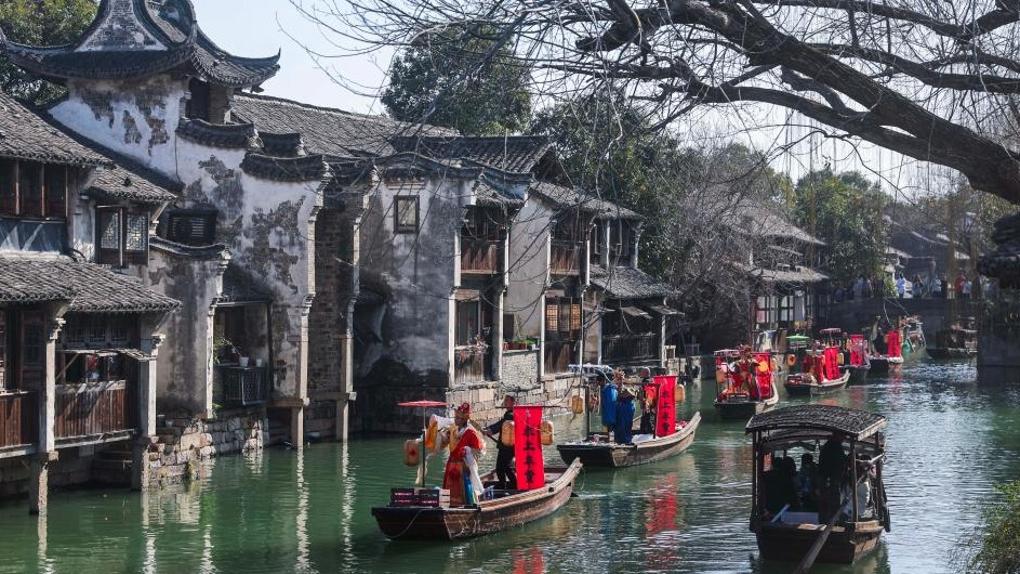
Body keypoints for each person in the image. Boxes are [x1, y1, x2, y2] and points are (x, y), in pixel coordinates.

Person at [441, 403, 486, 507]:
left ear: (464, 420)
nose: (455, 420)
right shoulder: (453, 430)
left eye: (458, 418)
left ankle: (465, 506)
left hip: (463, 466)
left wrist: (468, 451)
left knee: (463, 486)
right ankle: (448, 505)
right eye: (455, 417)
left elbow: (479, 450)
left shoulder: (471, 432)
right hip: (451, 463)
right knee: (449, 484)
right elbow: (446, 441)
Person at [484, 395, 516, 489]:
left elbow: (500, 425)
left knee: (500, 467)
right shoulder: (510, 413)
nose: (505, 402)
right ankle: (512, 483)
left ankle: (504, 484)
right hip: (507, 446)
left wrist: (490, 431)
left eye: (507, 400)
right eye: (505, 400)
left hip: (507, 446)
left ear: (513, 402)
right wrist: (488, 428)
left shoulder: (511, 415)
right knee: (505, 467)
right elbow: (500, 423)